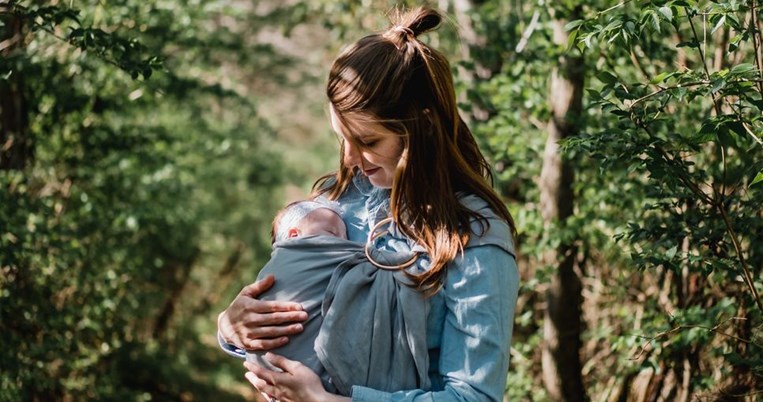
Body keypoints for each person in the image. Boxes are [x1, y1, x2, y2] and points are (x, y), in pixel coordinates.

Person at [217, 6, 520, 402]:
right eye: (342, 138)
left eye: (368, 142)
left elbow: (474, 396)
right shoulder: (334, 204)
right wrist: (231, 328)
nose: (349, 159)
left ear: (423, 127)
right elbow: (287, 306)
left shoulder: (474, 236)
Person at [239, 199, 430, 396]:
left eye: (346, 237)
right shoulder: (287, 259)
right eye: (332, 234)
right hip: (280, 369)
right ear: (294, 235)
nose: (344, 242)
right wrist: (227, 330)